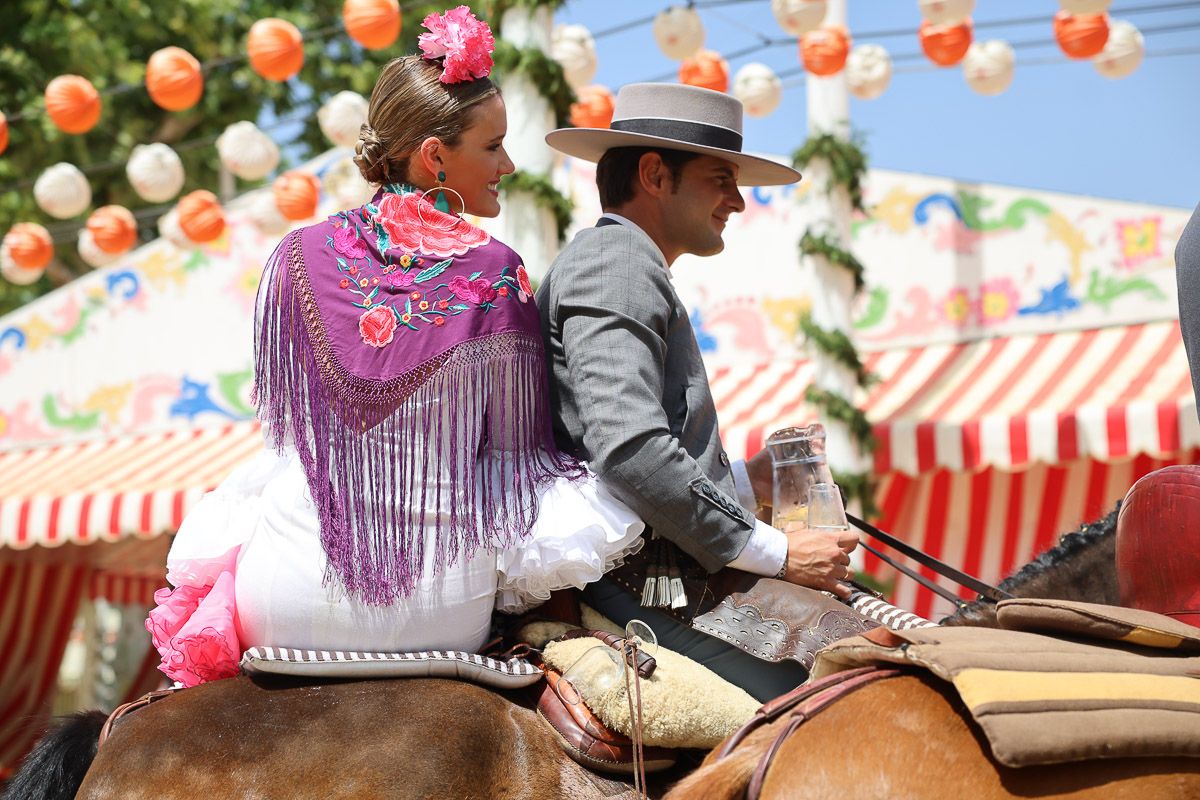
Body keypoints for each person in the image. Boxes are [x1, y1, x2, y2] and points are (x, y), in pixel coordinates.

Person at [145, 7, 644, 688]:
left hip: (284, 595)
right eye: (493, 146)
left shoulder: (295, 255)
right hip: (433, 606)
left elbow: (289, 433)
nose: (508, 164)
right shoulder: (496, 272)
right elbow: (514, 465)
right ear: (434, 157)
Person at [538, 83, 860, 702]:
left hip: (662, 572)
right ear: (655, 175)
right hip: (644, 582)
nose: (737, 201)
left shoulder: (624, 259)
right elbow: (629, 450)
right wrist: (778, 552)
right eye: (721, 179)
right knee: (862, 683)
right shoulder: (617, 261)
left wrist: (744, 479)